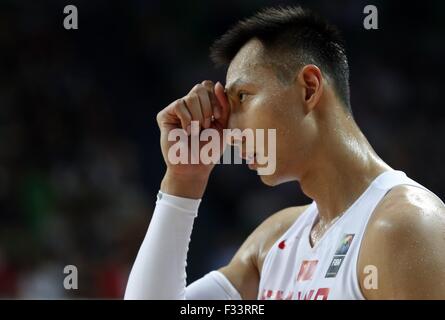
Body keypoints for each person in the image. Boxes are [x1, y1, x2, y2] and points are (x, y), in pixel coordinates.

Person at [124, 6, 445, 300]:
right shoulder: (272, 242)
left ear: (308, 88)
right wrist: (183, 180)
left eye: (242, 97)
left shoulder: (405, 227)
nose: (229, 130)